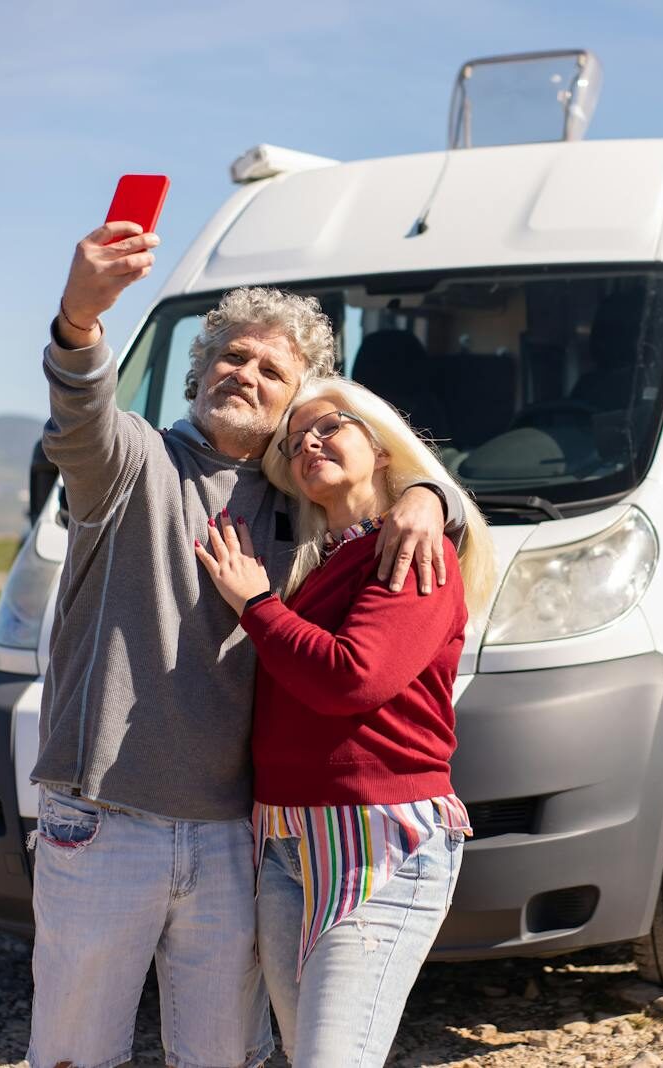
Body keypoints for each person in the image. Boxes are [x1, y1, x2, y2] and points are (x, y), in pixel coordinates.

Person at [27, 221, 464, 1068]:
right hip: (105, 820)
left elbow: (372, 491)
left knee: (226, 1056)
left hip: (239, 833)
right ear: (200, 371)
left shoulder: (296, 509)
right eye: (233, 357)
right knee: (77, 1052)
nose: (247, 374)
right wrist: (80, 318)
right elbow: (81, 409)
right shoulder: (131, 464)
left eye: (273, 371)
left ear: (293, 406)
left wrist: (426, 495)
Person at [194, 376, 497, 1067]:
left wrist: (256, 607)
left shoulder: (415, 548)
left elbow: (352, 678)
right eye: (296, 441)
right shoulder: (314, 565)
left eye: (328, 427)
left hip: (379, 838)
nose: (309, 443)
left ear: (382, 444)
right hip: (286, 840)